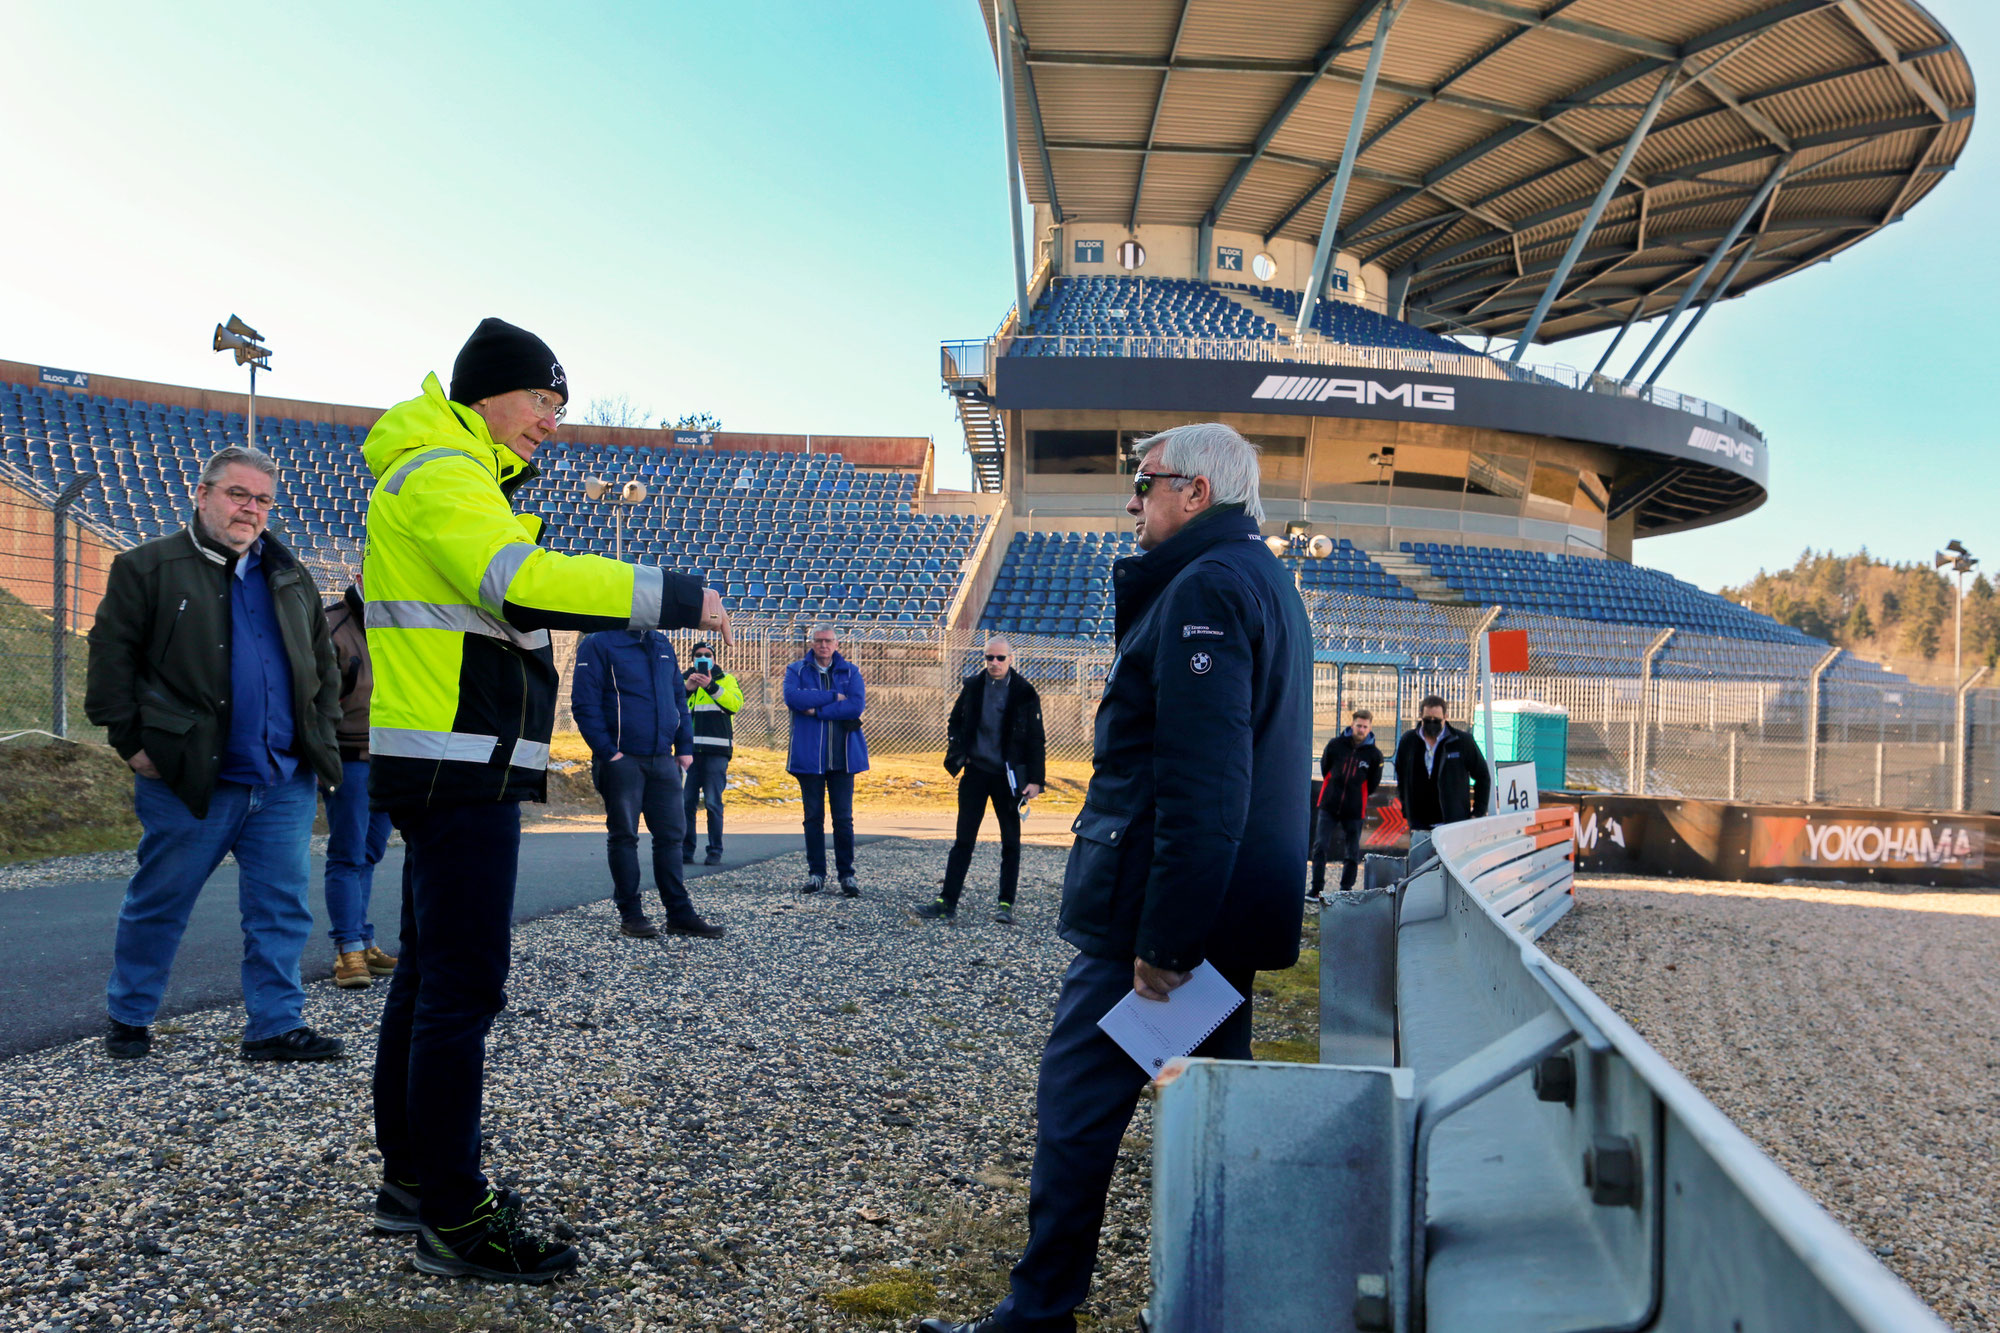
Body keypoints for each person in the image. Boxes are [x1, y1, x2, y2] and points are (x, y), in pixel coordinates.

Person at [920, 422, 1310, 1333]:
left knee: (1078, 1103)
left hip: (1162, 917)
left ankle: (1042, 1310)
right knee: (1215, 1115)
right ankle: (1219, 1302)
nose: (1132, 501)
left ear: (1197, 493)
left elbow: (1205, 782)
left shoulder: (1209, 586)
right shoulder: (1261, 580)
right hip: (1221, 911)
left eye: (1147, 483)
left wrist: (1166, 941)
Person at [362, 317, 729, 1284]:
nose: (554, 424)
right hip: (456, 762)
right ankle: (453, 1212)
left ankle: (413, 1181)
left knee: (429, 973)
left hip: (452, 756)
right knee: (461, 986)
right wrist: (671, 592)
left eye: (560, 407)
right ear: (490, 392)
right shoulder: (444, 469)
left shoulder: (456, 471)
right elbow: (518, 584)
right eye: (543, 401)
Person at [85, 445, 347, 1063]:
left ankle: (274, 1027)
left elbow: (323, 666)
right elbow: (110, 666)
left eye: (262, 500)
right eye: (237, 494)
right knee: (160, 901)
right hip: (187, 778)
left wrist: (320, 736)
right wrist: (134, 747)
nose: (250, 509)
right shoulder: (147, 568)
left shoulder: (289, 573)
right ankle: (130, 1014)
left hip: (281, 779)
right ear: (202, 495)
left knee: (281, 909)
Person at [572, 626, 726, 940]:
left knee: (671, 837)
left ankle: (679, 914)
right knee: (624, 836)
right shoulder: (598, 643)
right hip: (622, 758)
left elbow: (677, 699)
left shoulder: (661, 643)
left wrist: (684, 746)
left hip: (663, 759)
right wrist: (607, 752)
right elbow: (584, 704)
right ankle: (631, 914)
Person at [917, 636, 1046, 924]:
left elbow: (1036, 738)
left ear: (1011, 659)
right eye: (989, 658)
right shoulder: (973, 686)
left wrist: (1036, 780)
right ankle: (946, 901)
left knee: (1010, 842)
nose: (995, 663)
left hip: (1008, 778)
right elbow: (954, 721)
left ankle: (1005, 903)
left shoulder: (1025, 692)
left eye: (1000, 658)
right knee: (963, 840)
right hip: (976, 774)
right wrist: (960, 753)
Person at [321, 578, 398, 987]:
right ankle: (347, 949)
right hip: (348, 758)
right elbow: (314, 698)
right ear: (360, 578)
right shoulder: (331, 624)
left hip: (390, 756)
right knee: (348, 854)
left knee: (370, 852)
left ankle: (364, 940)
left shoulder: (402, 624)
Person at [783, 624, 867, 896]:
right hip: (809, 759)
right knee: (813, 818)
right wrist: (833, 697)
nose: (823, 645)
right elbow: (793, 698)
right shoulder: (796, 670)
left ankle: (847, 875)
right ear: (812, 643)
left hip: (843, 758)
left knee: (843, 819)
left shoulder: (850, 671)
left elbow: (855, 705)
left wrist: (817, 711)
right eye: (819, 640)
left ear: (836, 643)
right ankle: (816, 873)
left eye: (828, 641)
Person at [1310, 707, 1383, 901]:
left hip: (1354, 809)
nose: (1361, 729)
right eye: (1358, 725)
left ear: (1370, 728)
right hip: (1329, 805)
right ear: (1352, 725)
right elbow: (1326, 767)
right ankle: (1316, 889)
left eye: (1365, 727)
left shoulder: (1374, 755)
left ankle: (1345, 889)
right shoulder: (1335, 744)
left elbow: (1374, 782)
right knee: (1320, 847)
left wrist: (1357, 795)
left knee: (1352, 852)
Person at [1392, 694, 1491, 833]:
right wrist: (1406, 809)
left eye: (1437, 720)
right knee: (1418, 855)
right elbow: (1401, 776)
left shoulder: (1462, 741)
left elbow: (1483, 776)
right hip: (1419, 825)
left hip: (1452, 824)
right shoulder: (1408, 741)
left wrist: (1478, 812)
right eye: (1427, 720)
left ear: (1446, 716)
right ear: (1421, 715)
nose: (1432, 723)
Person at [681, 640, 741, 866]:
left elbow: (734, 704)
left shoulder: (726, 679)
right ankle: (687, 851)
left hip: (717, 751)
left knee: (714, 802)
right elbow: (673, 709)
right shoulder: (684, 681)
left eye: (708, 654)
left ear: (714, 658)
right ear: (693, 658)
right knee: (687, 802)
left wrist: (710, 686)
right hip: (689, 752)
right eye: (698, 654)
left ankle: (715, 850)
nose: (703, 657)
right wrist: (688, 689)